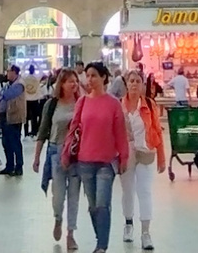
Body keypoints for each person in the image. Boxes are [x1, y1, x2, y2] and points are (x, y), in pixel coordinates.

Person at [63, 63, 131, 253]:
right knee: (93, 206)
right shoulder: (82, 102)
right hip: (85, 160)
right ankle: (99, 237)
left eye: (93, 75)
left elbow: (120, 133)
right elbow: (73, 129)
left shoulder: (113, 103)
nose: (89, 80)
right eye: (87, 76)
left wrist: (124, 156)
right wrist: (66, 153)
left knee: (102, 204)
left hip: (106, 162)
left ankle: (102, 246)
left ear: (103, 78)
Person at [117, 71, 165, 251]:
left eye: (138, 81)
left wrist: (161, 158)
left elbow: (158, 131)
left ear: (143, 84)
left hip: (146, 152)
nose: (134, 84)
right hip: (125, 154)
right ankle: (128, 224)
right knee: (127, 191)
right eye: (131, 81)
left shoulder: (149, 105)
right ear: (126, 84)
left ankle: (146, 232)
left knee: (144, 191)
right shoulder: (119, 106)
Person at [36, 68, 83, 249]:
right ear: (61, 84)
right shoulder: (52, 104)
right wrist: (37, 157)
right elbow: (43, 131)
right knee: (58, 196)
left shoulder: (81, 103)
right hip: (56, 152)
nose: (74, 84)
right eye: (69, 81)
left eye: (75, 81)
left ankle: (71, 232)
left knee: (73, 196)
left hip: (76, 155)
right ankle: (58, 218)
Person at [0, 67, 28, 176]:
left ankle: (19, 166)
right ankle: (9, 166)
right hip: (5, 116)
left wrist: (0, 94)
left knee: (15, 142)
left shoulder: (19, 84)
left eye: (9, 72)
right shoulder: (8, 84)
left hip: (15, 117)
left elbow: (6, 95)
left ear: (15, 73)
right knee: (6, 142)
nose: (7, 74)